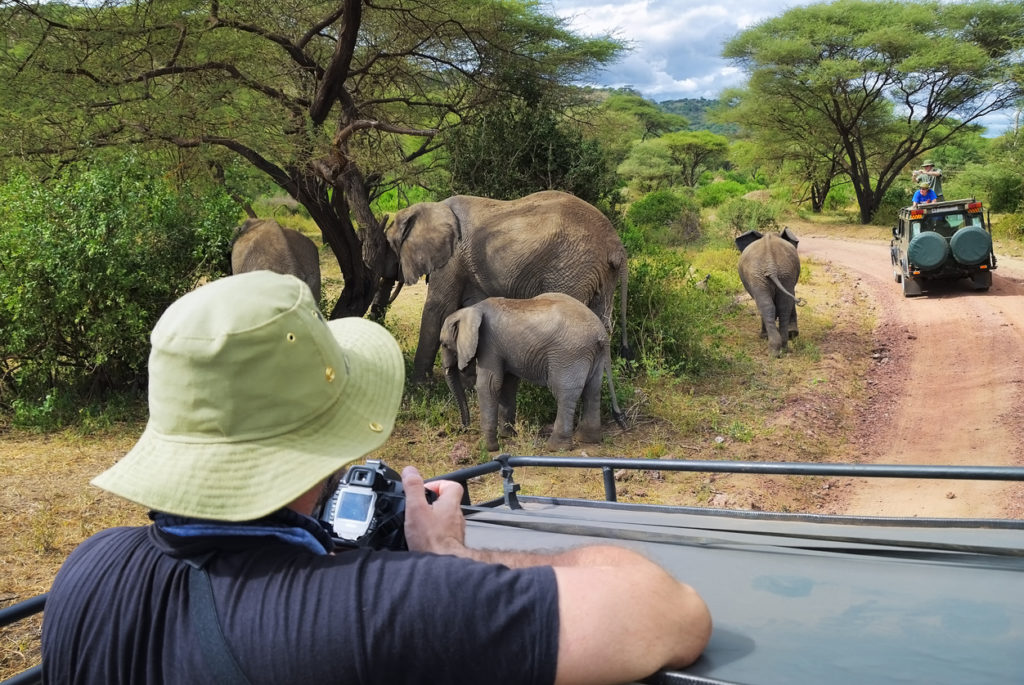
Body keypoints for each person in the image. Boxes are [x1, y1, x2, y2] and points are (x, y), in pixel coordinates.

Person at [40, 270, 711, 685]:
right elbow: (669, 612)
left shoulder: (85, 573)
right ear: (328, 446)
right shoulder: (377, 609)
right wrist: (450, 556)